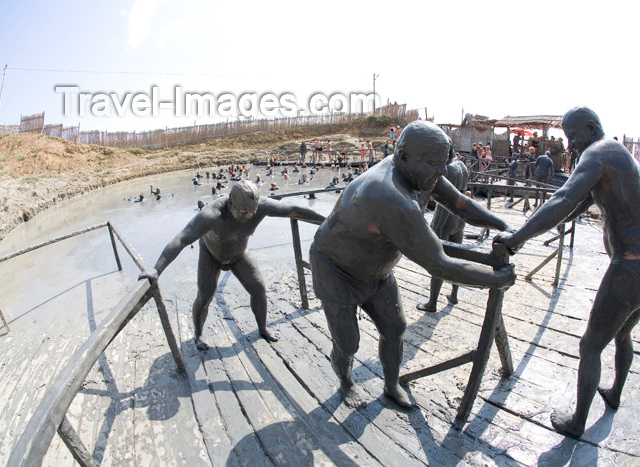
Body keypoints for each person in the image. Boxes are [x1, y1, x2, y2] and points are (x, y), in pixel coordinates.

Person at [310, 121, 516, 408]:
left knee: (395, 328)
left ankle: (391, 385)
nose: (441, 172)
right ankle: (346, 382)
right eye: (435, 164)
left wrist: (504, 225)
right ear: (403, 156)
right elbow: (440, 265)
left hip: (378, 270)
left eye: (444, 163)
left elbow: (460, 205)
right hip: (336, 270)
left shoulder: (423, 173)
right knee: (348, 343)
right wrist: (496, 280)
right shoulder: (387, 194)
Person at [494, 106, 640, 438]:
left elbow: (562, 199)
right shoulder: (619, 155)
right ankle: (614, 393)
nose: (569, 145)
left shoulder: (598, 153)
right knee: (623, 334)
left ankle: (577, 423)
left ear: (590, 128)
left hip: (630, 268)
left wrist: (517, 238)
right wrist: (543, 221)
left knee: (590, 347)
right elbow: (573, 207)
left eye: (572, 137)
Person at [139, 180, 325, 350]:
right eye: (242, 212)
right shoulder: (212, 214)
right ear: (230, 202)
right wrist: (157, 269)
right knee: (205, 296)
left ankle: (262, 329)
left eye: (251, 212)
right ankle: (198, 335)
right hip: (211, 254)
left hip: (238, 254)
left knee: (259, 289)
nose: (247, 216)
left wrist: (327, 222)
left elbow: (293, 210)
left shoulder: (261, 206)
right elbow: (181, 240)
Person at [416, 155, 470, 312]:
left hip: (446, 217)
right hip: (459, 219)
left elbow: (444, 202)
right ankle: (454, 294)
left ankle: (432, 302)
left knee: (438, 262)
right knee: (457, 258)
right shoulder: (462, 166)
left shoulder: (448, 170)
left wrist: (435, 229)